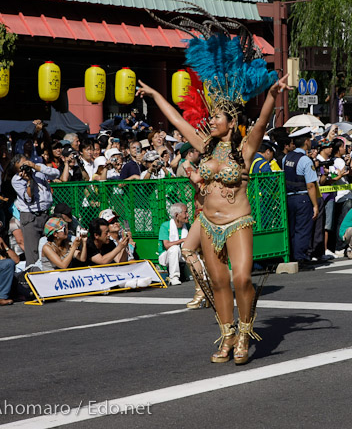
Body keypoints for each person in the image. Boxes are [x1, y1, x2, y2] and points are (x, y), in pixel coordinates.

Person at [136, 20, 285, 365]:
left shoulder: (246, 149)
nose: (210, 120)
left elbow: (262, 123)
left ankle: (246, 333)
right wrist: (157, 95)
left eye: (216, 116)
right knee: (218, 285)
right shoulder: (203, 145)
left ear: (231, 122)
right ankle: (227, 333)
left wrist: (273, 95)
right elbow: (176, 121)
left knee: (242, 278)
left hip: (237, 221)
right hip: (208, 223)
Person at [11, 154, 60, 267]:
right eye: (22, 167)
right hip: (30, 217)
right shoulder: (17, 180)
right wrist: (29, 182)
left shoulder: (38, 168)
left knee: (50, 246)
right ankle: (34, 278)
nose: (26, 167)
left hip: (45, 214)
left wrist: (36, 167)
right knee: (33, 252)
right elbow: (28, 198)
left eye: (26, 163)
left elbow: (56, 174)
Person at [283, 127, 319, 265]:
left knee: (292, 228)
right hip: (303, 198)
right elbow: (310, 185)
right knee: (302, 229)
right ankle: (301, 257)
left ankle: (292, 255)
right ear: (306, 141)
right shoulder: (305, 160)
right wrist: (315, 205)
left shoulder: (287, 158)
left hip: (289, 197)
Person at [157, 203, 190, 286]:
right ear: (176, 215)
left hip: (183, 254)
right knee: (174, 248)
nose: (188, 215)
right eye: (185, 212)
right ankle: (174, 277)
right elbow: (167, 245)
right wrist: (182, 240)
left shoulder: (188, 226)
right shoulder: (165, 226)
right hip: (167, 255)